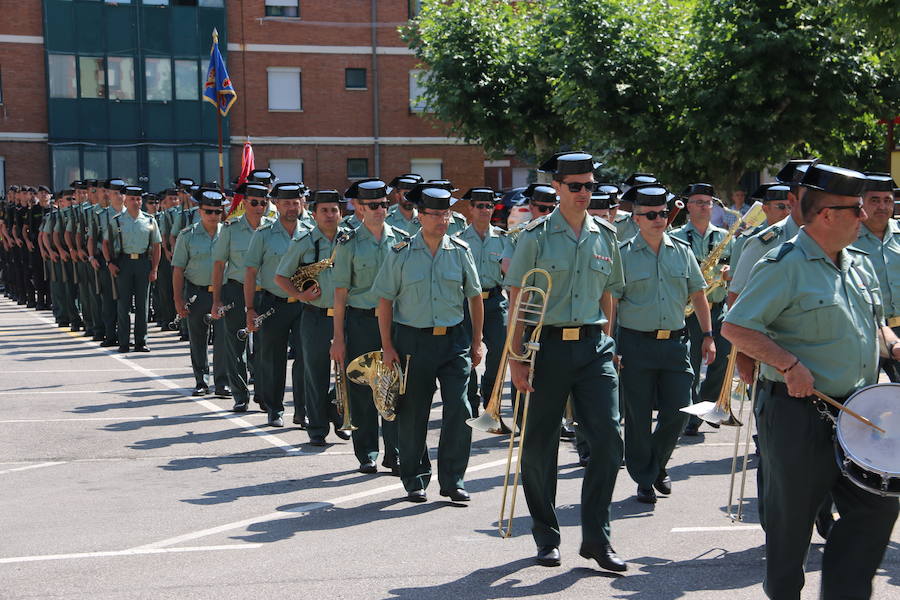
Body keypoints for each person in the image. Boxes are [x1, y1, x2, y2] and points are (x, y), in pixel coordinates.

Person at [722, 163, 900, 600]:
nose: (866, 216)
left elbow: (873, 324)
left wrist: (892, 343)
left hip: (858, 410)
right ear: (826, 215)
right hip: (796, 411)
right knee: (791, 525)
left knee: (876, 507)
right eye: (856, 210)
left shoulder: (856, 261)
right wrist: (786, 363)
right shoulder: (783, 264)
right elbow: (737, 327)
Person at [505, 151, 626, 572]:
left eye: (590, 186)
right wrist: (515, 357)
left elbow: (610, 294)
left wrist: (610, 343)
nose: (583, 193)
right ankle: (546, 535)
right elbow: (517, 297)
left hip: (593, 348)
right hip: (545, 348)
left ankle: (596, 538)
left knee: (609, 442)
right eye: (575, 186)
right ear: (557, 188)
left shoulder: (606, 236)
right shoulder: (534, 236)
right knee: (539, 446)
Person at [372, 182, 484, 503]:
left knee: (460, 409)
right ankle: (415, 479)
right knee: (413, 413)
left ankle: (453, 479)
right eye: (434, 214)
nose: (441, 220)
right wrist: (388, 346)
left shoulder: (460, 252)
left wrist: (476, 343)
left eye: (445, 214)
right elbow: (384, 301)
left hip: (454, 342)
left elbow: (474, 298)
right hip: (412, 342)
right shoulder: (401, 253)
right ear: (420, 216)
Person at [614, 184, 714, 504]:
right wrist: (611, 345)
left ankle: (656, 465)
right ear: (637, 218)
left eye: (662, 213)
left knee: (679, 411)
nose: (659, 219)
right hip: (635, 345)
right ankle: (645, 479)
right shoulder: (623, 254)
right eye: (651, 214)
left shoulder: (682, 250)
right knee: (639, 416)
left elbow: (698, 295)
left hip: (674, 344)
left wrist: (709, 335)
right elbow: (612, 303)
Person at [331, 178, 404, 472]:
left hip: (396, 322)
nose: (380, 210)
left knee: (395, 386)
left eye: (384, 204)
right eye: (373, 205)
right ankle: (367, 453)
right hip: (361, 321)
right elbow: (339, 294)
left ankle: (394, 451)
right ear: (359, 207)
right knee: (363, 388)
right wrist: (338, 338)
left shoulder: (401, 240)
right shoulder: (347, 243)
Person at [275, 190, 349, 445]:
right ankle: (317, 428)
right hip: (315, 316)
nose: (330, 215)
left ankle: (340, 414)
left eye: (334, 210)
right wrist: (300, 295)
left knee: (348, 371)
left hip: (347, 316)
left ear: (341, 213)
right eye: (324, 211)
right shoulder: (304, 241)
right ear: (314, 214)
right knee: (315, 373)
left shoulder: (350, 240)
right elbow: (281, 276)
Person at [244, 182, 312, 427]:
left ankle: (302, 410)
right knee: (273, 359)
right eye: (286, 203)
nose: (292, 207)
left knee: (306, 358)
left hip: (306, 305)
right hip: (273, 304)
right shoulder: (263, 234)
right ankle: (275, 408)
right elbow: (250, 271)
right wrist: (250, 308)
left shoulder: (311, 231)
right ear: (277, 205)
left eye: (295, 202)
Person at [671, 183, 732, 436]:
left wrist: (730, 274)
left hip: (719, 307)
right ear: (687, 206)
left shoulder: (726, 237)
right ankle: (691, 417)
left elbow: (735, 271)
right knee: (692, 366)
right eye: (698, 202)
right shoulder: (675, 237)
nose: (704, 207)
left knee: (723, 361)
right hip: (689, 311)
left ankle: (705, 407)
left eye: (708, 202)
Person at [211, 183, 271, 412]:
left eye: (263, 202)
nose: (259, 207)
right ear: (244, 203)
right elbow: (218, 264)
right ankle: (240, 394)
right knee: (236, 344)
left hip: (266, 293)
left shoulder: (272, 228)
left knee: (266, 347)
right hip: (236, 290)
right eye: (254, 202)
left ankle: (265, 394)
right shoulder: (230, 228)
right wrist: (216, 299)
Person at [456, 187, 511, 416]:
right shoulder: (458, 240)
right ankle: (471, 399)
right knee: (467, 351)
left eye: (489, 206)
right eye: (480, 206)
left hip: (495, 300)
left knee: (500, 350)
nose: (485, 210)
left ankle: (491, 396)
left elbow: (509, 274)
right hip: (467, 304)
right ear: (470, 209)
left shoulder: (503, 239)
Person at [171, 187, 229, 396]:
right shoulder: (187, 236)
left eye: (217, 211)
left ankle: (222, 382)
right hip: (197, 292)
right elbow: (178, 269)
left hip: (224, 293)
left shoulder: (228, 233)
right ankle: (201, 381)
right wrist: (178, 299)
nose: (213, 215)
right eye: (208, 211)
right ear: (199, 211)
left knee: (223, 338)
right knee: (198, 338)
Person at [102, 186, 161, 353]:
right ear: (125, 201)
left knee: (143, 305)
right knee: (123, 305)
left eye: (138, 199)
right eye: (132, 199)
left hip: (143, 263)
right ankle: (124, 342)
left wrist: (154, 269)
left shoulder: (150, 221)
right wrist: (109, 263)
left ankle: (141, 341)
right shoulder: (117, 220)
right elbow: (105, 243)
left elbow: (157, 246)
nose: (136, 202)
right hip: (124, 264)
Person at [854, 172, 899, 382]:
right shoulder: (848, 237)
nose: (882, 206)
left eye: (887, 200)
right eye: (875, 200)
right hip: (865, 331)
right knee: (861, 395)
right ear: (861, 202)